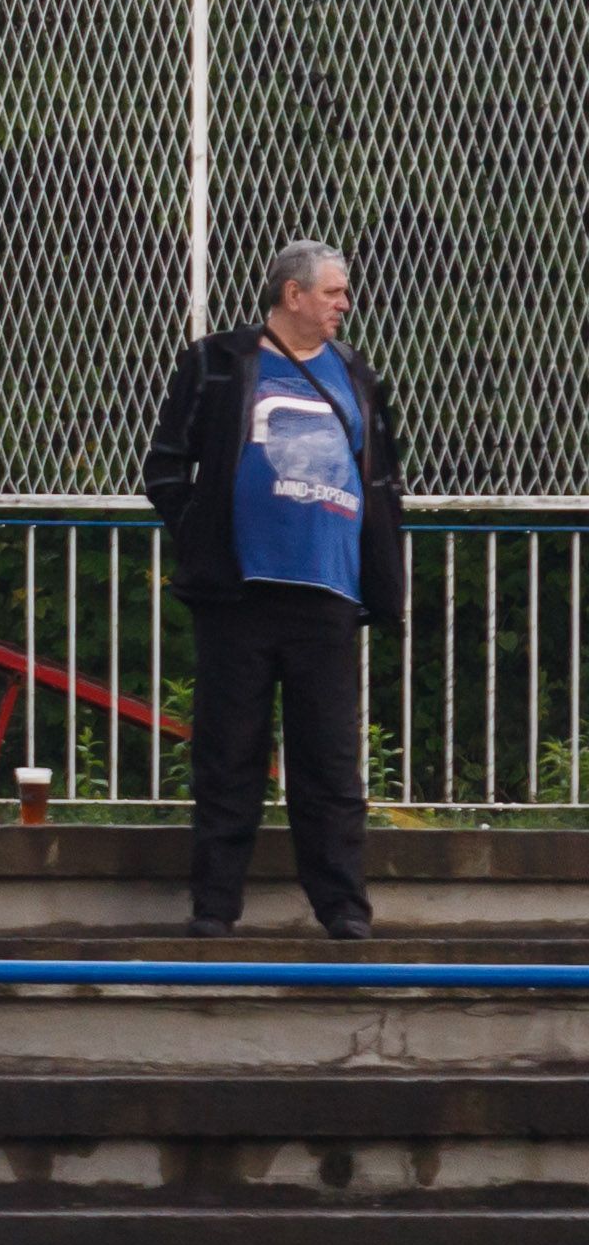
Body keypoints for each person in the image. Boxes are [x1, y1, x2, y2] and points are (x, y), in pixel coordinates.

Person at [141, 239, 404, 940]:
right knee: (228, 754)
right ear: (293, 294)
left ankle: (343, 909)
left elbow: (382, 478)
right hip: (240, 592)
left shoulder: (357, 373)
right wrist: (202, 536)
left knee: (331, 762)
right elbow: (165, 467)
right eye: (333, 291)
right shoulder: (219, 361)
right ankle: (215, 907)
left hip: (329, 592)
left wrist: (381, 573)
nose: (344, 303)